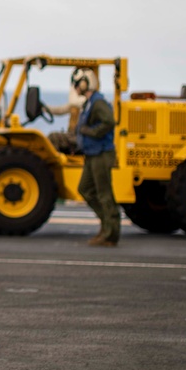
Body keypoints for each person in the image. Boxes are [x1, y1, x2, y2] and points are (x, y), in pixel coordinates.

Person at [74, 67, 120, 247]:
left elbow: (109, 121)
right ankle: (106, 224)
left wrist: (92, 132)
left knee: (104, 194)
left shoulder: (98, 102)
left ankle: (111, 234)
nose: (76, 87)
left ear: (86, 82)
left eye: (77, 83)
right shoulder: (89, 102)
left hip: (101, 153)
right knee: (85, 189)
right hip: (92, 154)